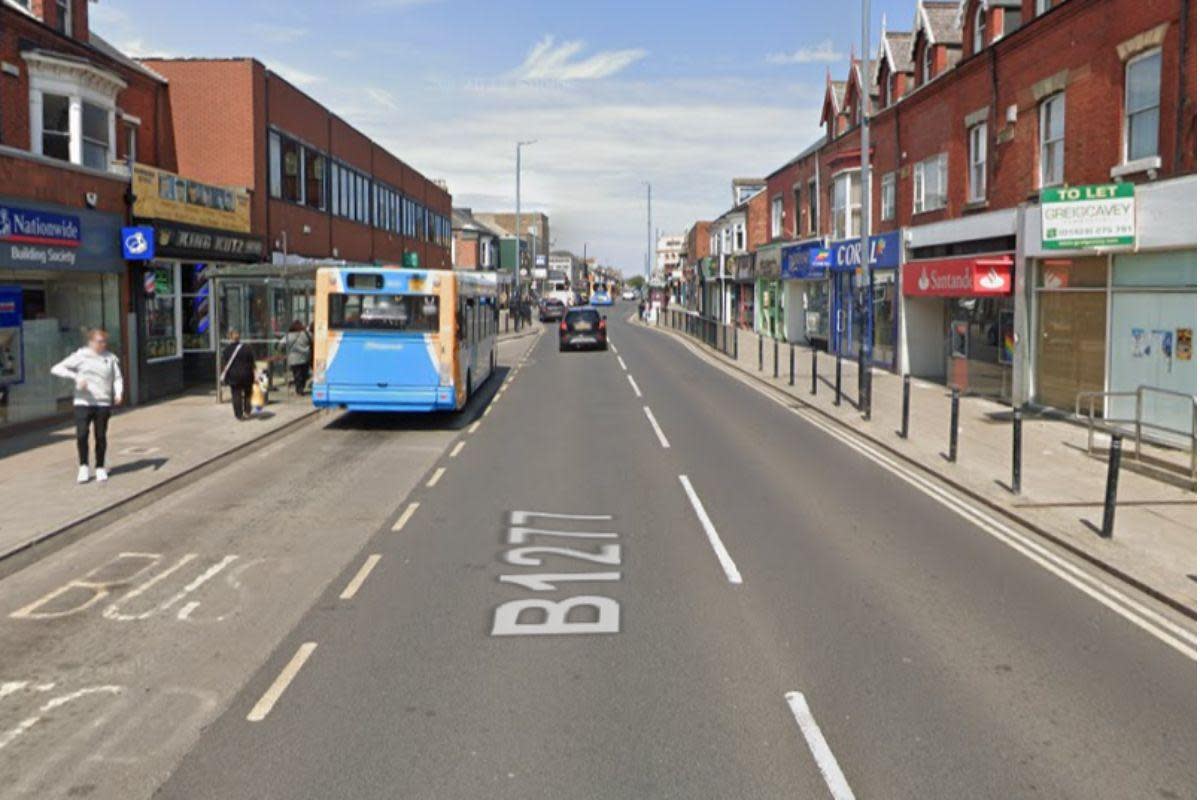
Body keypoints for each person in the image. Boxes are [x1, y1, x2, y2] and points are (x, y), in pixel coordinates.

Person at [51, 328, 123, 483]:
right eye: (99, 342)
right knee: (82, 434)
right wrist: (76, 377)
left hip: (102, 402)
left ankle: (100, 467)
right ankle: (83, 466)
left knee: (100, 435)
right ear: (91, 342)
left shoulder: (110, 358)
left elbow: (117, 377)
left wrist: (118, 393)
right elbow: (57, 368)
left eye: (104, 342)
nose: (102, 345)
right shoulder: (81, 356)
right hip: (83, 402)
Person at [221, 329, 257, 420]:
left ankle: (238, 414)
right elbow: (252, 363)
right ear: (239, 337)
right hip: (247, 374)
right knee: (248, 393)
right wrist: (255, 374)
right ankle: (247, 411)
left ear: (229, 337)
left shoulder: (226, 350)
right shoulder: (247, 348)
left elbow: (224, 364)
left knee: (236, 394)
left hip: (234, 375)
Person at [280, 320, 312, 395]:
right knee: (304, 374)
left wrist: (284, 351)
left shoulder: (289, 335)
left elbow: (281, 344)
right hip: (305, 357)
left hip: (293, 358)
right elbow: (313, 339)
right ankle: (301, 387)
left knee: (297, 374)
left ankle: (299, 388)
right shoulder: (306, 334)